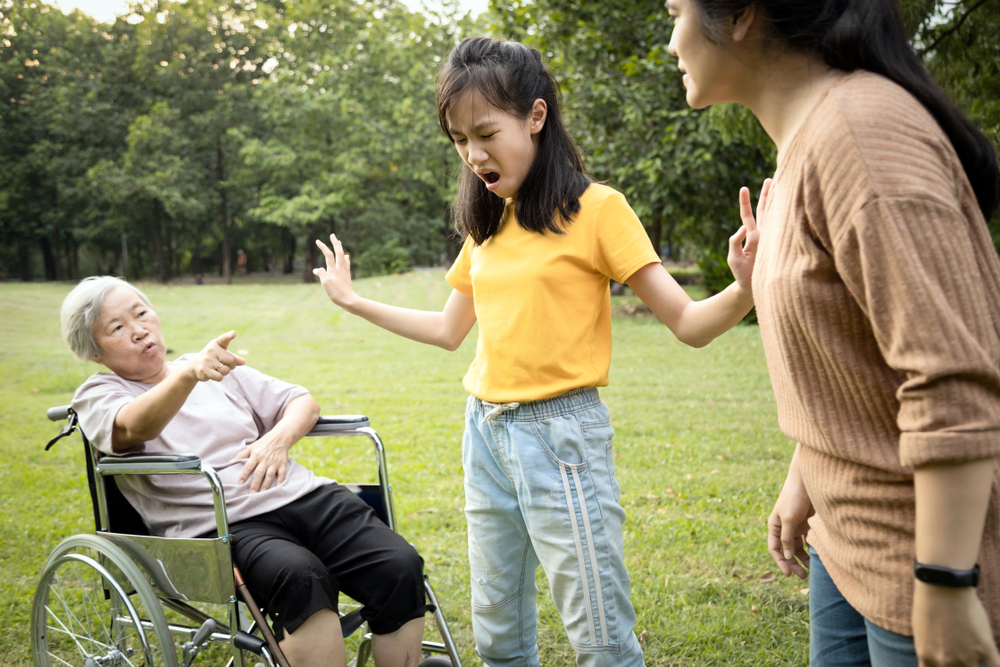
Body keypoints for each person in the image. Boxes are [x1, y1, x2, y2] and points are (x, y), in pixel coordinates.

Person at [312, 37, 764, 667]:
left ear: (536, 116)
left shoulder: (599, 210)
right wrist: (355, 301)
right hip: (485, 435)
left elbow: (687, 322)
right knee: (497, 635)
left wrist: (745, 286)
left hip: (561, 440)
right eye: (459, 140)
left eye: (486, 133)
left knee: (600, 634)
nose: (473, 154)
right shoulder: (489, 224)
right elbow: (449, 330)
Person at [664, 1, 1000, 665]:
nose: (671, 41)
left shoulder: (862, 132)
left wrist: (946, 580)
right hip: (842, 546)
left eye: (675, 12)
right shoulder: (800, 147)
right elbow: (853, 350)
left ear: (741, 16)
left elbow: (952, 374)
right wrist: (805, 478)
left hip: (919, 559)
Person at [61, 276, 432, 667]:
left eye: (141, 313)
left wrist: (279, 439)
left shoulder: (209, 366)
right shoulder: (100, 394)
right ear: (95, 352)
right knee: (301, 577)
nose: (139, 331)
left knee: (399, 566)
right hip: (224, 524)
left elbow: (301, 400)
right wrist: (188, 376)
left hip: (302, 494)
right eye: (117, 328)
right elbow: (136, 427)